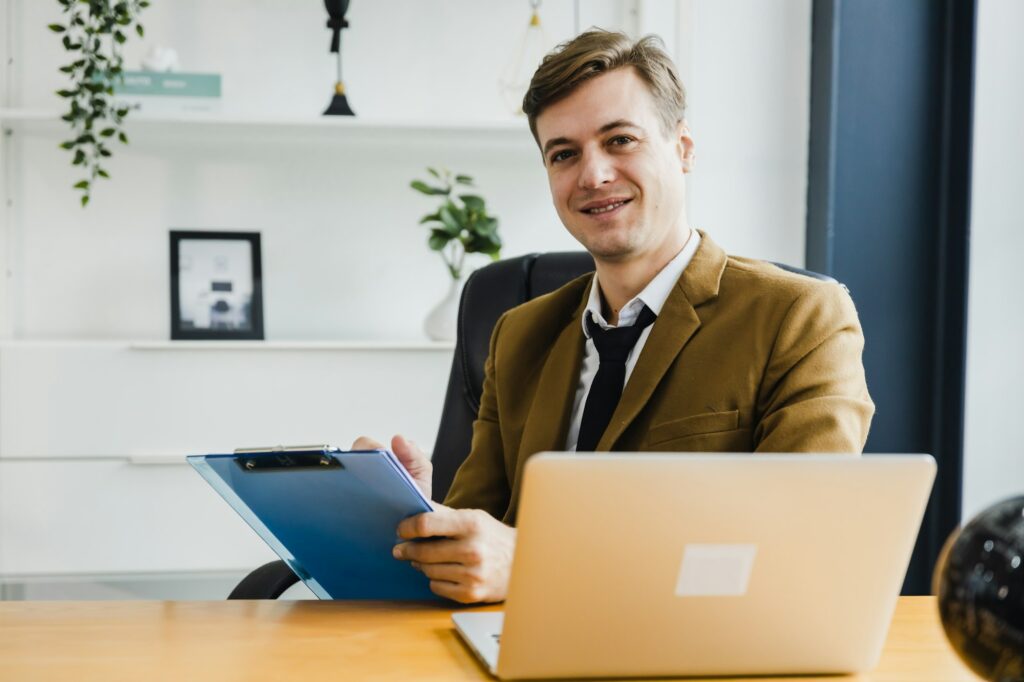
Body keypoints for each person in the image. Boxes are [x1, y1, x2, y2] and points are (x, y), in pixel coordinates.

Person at [353, 30, 874, 604]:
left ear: (683, 149)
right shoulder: (519, 333)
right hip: (511, 644)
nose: (593, 175)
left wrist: (534, 565)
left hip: (694, 649)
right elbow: (482, 527)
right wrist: (424, 520)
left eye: (619, 140)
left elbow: (794, 539)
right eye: (564, 154)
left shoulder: (800, 317)